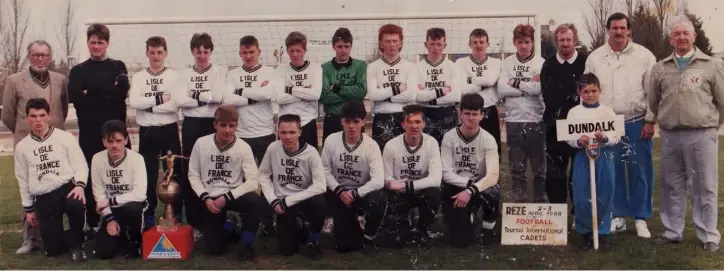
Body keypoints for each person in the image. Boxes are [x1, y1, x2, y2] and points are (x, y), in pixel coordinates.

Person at [649, 16, 724, 252]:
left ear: (694, 37)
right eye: (677, 34)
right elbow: (654, 101)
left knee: (705, 186)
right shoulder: (660, 68)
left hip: (701, 135)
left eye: (685, 33)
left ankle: (709, 235)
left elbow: (722, 101)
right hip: (670, 136)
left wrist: (709, 125)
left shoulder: (711, 64)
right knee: (672, 185)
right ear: (671, 39)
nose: (681, 37)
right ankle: (673, 231)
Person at [585, 12, 657, 238]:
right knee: (611, 170)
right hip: (607, 123)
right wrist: (590, 121)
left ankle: (640, 216)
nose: (618, 32)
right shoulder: (595, 58)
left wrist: (650, 119)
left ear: (629, 30)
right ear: (608, 30)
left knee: (639, 169)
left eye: (622, 28)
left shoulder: (644, 56)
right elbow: (587, 91)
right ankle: (618, 215)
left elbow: (653, 92)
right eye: (614, 28)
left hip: (636, 120)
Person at [3, 40, 68, 254]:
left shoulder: (60, 79)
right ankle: (30, 239)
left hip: (53, 142)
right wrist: (24, 133)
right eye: (36, 54)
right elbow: (8, 114)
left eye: (44, 55)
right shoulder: (14, 80)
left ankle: (54, 234)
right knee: (29, 188)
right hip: (26, 143)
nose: (40, 58)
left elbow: (62, 111)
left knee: (54, 186)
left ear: (49, 57)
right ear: (29, 56)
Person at [68, 23, 130, 233]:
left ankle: (121, 216)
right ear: (87, 43)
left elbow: (120, 94)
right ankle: (93, 221)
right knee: (92, 175)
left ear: (107, 44)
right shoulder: (78, 70)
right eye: (92, 42)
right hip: (89, 133)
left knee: (119, 175)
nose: (96, 46)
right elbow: (78, 100)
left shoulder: (118, 66)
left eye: (100, 42)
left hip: (115, 135)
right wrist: (105, 93)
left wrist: (91, 92)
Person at [188, 105, 267, 260]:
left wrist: (227, 197)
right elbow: (193, 175)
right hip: (210, 199)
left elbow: (253, 182)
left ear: (237, 125)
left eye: (232, 126)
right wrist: (205, 197)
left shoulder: (243, 147)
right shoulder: (201, 143)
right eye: (223, 125)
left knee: (257, 203)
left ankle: (247, 243)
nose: (227, 130)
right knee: (214, 249)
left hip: (232, 195)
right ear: (215, 124)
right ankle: (230, 224)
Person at [13, 98, 88, 261]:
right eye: (33, 116)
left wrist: (80, 185)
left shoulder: (65, 137)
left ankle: (78, 245)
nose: (38, 120)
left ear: (49, 116)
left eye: (42, 115)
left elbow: (81, 165)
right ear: (27, 118)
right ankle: (71, 237)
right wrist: (28, 209)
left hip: (67, 187)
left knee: (75, 204)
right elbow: (23, 179)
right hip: (44, 195)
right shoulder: (22, 147)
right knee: (54, 250)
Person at [172, 32, 227, 237]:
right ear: (192, 51)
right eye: (198, 51)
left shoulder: (219, 71)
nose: (202, 55)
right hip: (191, 125)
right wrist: (205, 98)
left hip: (210, 124)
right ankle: (194, 222)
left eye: (205, 51)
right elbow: (178, 100)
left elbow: (218, 96)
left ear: (210, 52)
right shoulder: (184, 74)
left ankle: (215, 217)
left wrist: (192, 95)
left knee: (213, 169)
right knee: (192, 171)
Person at [224, 35, 277, 236]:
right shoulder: (232, 73)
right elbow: (227, 98)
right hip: (241, 135)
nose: (248, 56)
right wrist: (254, 94)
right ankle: (244, 218)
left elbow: (268, 94)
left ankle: (267, 220)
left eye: (251, 52)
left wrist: (241, 92)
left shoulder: (269, 72)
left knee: (266, 179)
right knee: (240, 179)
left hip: (264, 132)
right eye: (244, 52)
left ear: (258, 52)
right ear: (240, 53)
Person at [127, 36, 181, 230]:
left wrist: (148, 106)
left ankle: (176, 213)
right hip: (147, 131)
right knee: (147, 174)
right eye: (152, 52)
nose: (156, 56)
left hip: (168, 128)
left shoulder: (174, 76)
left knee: (174, 173)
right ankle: (148, 213)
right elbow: (134, 102)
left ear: (165, 53)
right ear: (147, 53)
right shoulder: (140, 77)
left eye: (159, 52)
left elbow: (175, 104)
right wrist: (159, 100)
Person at [321, 100, 386, 253]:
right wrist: (339, 192)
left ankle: (369, 235)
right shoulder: (331, 140)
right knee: (344, 246)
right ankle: (343, 220)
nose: (351, 126)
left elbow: (378, 180)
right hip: (339, 193)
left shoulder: (371, 145)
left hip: (360, 193)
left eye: (356, 121)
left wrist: (355, 194)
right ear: (341, 121)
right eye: (347, 121)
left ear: (363, 121)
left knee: (379, 198)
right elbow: (323, 170)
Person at [259, 114, 326, 260]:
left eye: (292, 132)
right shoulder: (273, 148)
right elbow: (263, 175)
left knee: (319, 203)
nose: (288, 137)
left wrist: (289, 201)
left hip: (304, 198)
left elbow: (321, 186)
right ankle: (300, 225)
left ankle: (314, 239)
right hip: (282, 202)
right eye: (283, 132)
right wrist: (273, 200)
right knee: (287, 251)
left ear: (300, 132)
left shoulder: (311, 152)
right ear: (278, 132)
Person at [566, 73, 620, 251]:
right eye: (586, 91)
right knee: (581, 196)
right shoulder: (575, 112)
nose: (590, 94)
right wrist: (577, 141)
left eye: (594, 91)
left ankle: (602, 232)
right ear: (580, 92)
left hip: (603, 157)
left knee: (605, 192)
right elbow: (569, 136)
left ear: (600, 91)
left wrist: (604, 137)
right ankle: (586, 233)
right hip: (583, 157)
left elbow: (616, 135)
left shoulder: (607, 111)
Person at [441, 93, 500, 248]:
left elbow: (493, 175)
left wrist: (471, 190)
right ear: (460, 113)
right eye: (467, 113)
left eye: (475, 114)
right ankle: (468, 215)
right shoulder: (449, 137)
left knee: (493, 189)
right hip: (457, 186)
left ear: (482, 115)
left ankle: (488, 226)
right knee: (460, 241)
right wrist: (466, 184)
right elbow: (445, 173)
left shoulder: (488, 139)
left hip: (479, 187)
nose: (471, 118)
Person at [541, 24, 588, 217]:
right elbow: (546, 94)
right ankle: (557, 214)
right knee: (554, 174)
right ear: (556, 42)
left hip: (580, 127)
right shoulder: (549, 64)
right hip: (555, 128)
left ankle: (579, 213)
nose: (566, 43)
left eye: (569, 39)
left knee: (579, 174)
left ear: (574, 40)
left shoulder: (585, 62)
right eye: (562, 40)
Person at [497, 24, 546, 203]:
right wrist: (527, 87)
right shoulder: (507, 63)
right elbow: (501, 89)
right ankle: (520, 203)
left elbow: (540, 88)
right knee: (516, 167)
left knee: (539, 167)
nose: (523, 46)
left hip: (536, 120)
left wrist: (514, 83)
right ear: (514, 43)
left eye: (527, 42)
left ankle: (540, 201)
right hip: (513, 120)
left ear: (532, 42)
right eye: (520, 42)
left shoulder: (540, 63)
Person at [382, 104, 441, 247]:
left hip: (421, 191)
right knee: (396, 242)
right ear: (403, 124)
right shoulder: (391, 145)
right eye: (409, 122)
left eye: (418, 122)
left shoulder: (431, 143)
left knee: (434, 192)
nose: (414, 126)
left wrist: (406, 185)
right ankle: (403, 224)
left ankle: (422, 229)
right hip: (400, 193)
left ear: (424, 124)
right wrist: (390, 183)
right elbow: (386, 177)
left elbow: (436, 179)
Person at [91, 120, 147, 259]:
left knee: (133, 208)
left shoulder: (137, 159)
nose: (114, 145)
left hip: (132, 207)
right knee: (103, 253)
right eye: (110, 141)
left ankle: (135, 239)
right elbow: (98, 193)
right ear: (104, 141)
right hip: (112, 210)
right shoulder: (97, 159)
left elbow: (139, 194)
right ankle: (120, 235)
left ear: (126, 140)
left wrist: (110, 201)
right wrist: (109, 219)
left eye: (118, 140)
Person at [367, 24, 419, 151]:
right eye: (388, 41)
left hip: (404, 118)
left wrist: (384, 97)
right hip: (381, 118)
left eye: (395, 41)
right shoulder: (373, 67)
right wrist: (397, 89)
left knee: (405, 159)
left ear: (400, 43)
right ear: (381, 43)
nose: (391, 44)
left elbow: (411, 95)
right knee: (383, 159)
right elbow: (373, 95)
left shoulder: (410, 67)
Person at [455, 28, 502, 158]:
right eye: (475, 42)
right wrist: (484, 84)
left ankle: (493, 178)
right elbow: (461, 89)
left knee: (492, 149)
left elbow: (491, 80)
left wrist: (470, 80)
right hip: (467, 112)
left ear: (488, 44)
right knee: (468, 151)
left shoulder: (496, 63)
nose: (478, 45)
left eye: (482, 42)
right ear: (469, 44)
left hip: (488, 109)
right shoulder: (460, 63)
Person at [274, 31, 323, 149]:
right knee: (285, 163)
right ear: (287, 51)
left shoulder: (315, 69)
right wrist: (305, 92)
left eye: (298, 50)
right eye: (291, 51)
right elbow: (279, 98)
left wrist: (289, 89)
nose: (295, 54)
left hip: (307, 123)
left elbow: (315, 94)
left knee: (308, 163)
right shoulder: (281, 70)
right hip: (286, 125)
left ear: (305, 51)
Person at [319, 28, 368, 141]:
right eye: (339, 46)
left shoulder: (360, 66)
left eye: (346, 46)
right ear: (333, 46)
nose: (343, 50)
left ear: (351, 46)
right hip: (333, 118)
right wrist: (351, 93)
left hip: (355, 119)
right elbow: (323, 96)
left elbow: (361, 92)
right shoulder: (325, 68)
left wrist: (335, 88)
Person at [416, 27, 462, 145]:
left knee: (448, 150)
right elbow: (417, 96)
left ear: (444, 45)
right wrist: (442, 91)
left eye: (439, 44)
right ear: (426, 44)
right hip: (425, 114)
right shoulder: (417, 68)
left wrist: (427, 96)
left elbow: (456, 96)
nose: (435, 47)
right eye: (432, 44)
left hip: (447, 113)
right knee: (426, 150)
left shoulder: (453, 67)